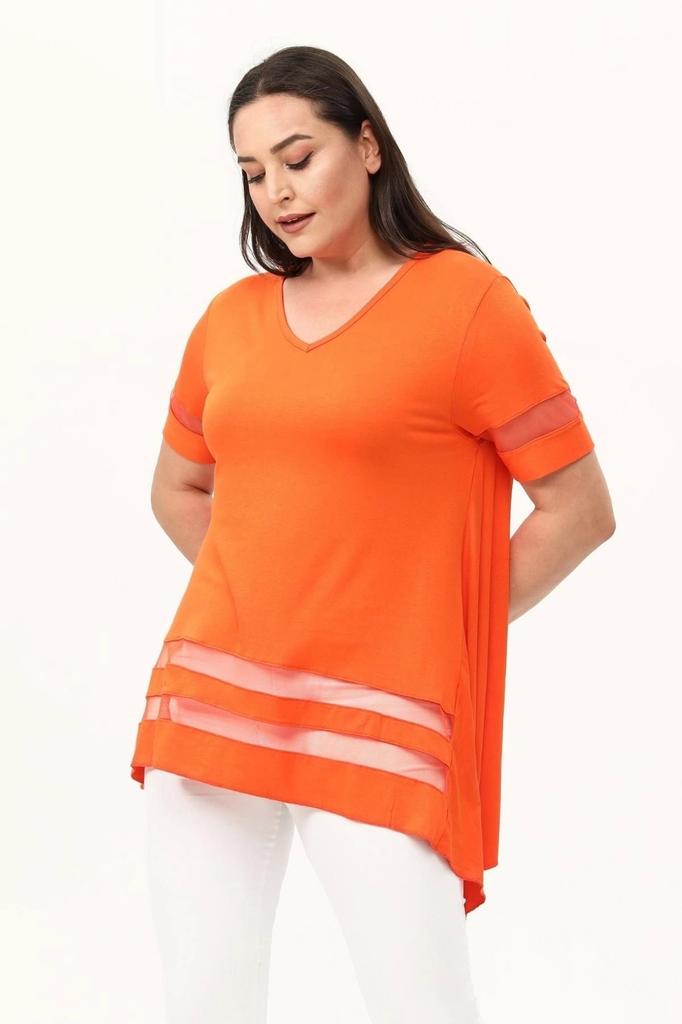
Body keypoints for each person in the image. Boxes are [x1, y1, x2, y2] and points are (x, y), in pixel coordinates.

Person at [130, 45, 615, 1024]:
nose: (276, 192)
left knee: (422, 1005)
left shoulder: (467, 305)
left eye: (297, 157)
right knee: (204, 1004)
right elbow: (178, 488)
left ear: (366, 145)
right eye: (252, 173)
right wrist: (270, 588)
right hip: (212, 705)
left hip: (380, 722)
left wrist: (433, 627)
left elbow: (579, 508)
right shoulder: (230, 319)